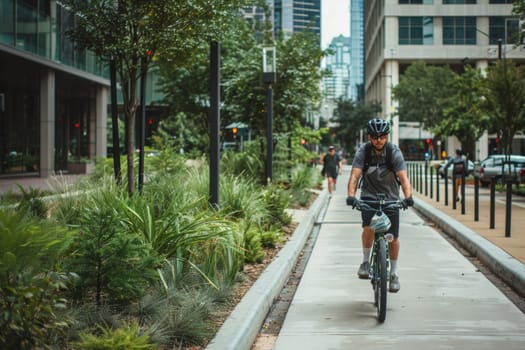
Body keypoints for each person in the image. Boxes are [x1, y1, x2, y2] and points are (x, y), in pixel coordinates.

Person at [346, 118, 414, 293]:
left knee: (393, 237)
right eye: (375, 137)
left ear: (387, 136)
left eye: (382, 136)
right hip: (369, 198)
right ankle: (366, 261)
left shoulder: (394, 152)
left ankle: (394, 274)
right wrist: (351, 196)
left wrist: (408, 197)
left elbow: (404, 179)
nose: (379, 140)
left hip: (391, 198)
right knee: (368, 228)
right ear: (369, 137)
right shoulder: (364, 151)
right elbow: (354, 177)